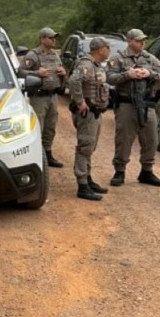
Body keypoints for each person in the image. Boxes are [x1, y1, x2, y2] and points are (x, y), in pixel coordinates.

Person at [106, 28, 160, 187]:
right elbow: (109, 78)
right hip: (126, 103)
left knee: (151, 138)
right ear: (129, 41)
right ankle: (119, 171)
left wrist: (149, 73)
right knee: (124, 138)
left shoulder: (151, 59)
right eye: (138, 40)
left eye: (143, 40)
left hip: (147, 103)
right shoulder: (118, 59)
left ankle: (147, 170)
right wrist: (128, 75)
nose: (142, 43)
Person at [68, 36, 111, 200]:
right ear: (100, 50)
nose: (109, 51)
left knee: (89, 147)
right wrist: (80, 102)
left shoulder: (96, 65)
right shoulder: (86, 64)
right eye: (108, 47)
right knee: (84, 147)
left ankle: (88, 178)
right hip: (87, 114)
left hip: (96, 113)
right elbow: (74, 80)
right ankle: (82, 185)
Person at [21, 26, 66, 167]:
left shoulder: (54, 55)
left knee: (50, 127)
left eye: (54, 38)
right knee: (38, 127)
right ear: (42, 39)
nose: (54, 40)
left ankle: (47, 153)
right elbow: (20, 71)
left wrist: (63, 72)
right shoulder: (33, 55)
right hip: (39, 96)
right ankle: (36, 155)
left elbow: (62, 71)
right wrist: (36, 73)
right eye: (51, 38)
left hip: (52, 95)